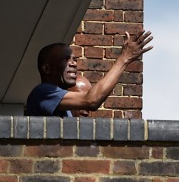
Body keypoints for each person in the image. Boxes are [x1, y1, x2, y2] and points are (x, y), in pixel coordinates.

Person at [24, 30, 154, 117]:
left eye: (74, 60)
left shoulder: (63, 105)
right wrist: (123, 59)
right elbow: (91, 100)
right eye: (65, 59)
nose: (73, 63)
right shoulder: (43, 93)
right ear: (46, 68)